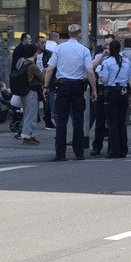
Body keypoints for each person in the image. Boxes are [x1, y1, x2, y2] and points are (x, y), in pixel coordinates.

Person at [43, 23, 97, 162]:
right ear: (79, 34)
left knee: (61, 121)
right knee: (78, 121)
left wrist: (46, 86)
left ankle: (60, 153)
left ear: (68, 34)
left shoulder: (59, 48)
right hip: (78, 87)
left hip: (62, 86)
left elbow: (49, 69)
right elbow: (90, 71)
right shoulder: (84, 50)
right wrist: (94, 89)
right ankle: (79, 153)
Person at [98, 39, 131, 158]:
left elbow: (104, 80)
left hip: (112, 92)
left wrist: (99, 73)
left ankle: (114, 151)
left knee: (112, 123)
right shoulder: (126, 61)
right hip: (123, 92)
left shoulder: (107, 62)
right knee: (121, 123)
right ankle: (123, 150)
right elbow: (130, 80)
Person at [89, 35, 115, 156]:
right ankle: (97, 146)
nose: (107, 46)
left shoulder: (119, 58)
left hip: (112, 91)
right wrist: (102, 56)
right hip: (100, 90)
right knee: (99, 120)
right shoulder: (101, 56)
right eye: (106, 44)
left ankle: (112, 146)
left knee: (112, 121)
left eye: (109, 44)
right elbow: (92, 65)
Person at [18, 44, 45, 145]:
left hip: (23, 91)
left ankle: (29, 135)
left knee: (26, 114)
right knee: (31, 115)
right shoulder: (33, 66)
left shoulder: (23, 63)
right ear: (34, 53)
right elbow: (42, 79)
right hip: (32, 91)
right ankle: (27, 136)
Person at [36, 36, 55, 129]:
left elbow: (54, 65)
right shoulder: (33, 54)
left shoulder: (49, 54)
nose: (44, 45)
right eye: (42, 43)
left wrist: (48, 68)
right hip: (35, 81)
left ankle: (48, 121)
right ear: (37, 44)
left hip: (45, 81)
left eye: (45, 43)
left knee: (47, 103)